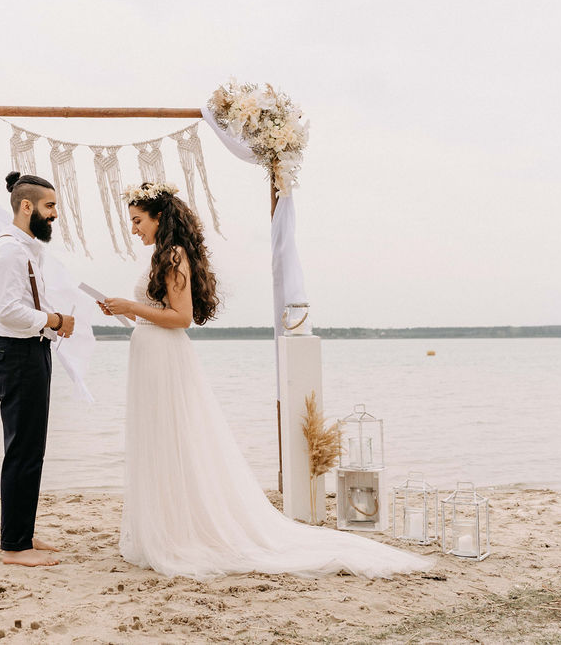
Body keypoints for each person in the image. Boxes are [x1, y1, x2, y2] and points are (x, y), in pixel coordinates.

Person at [100, 181, 433, 580]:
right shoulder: (162, 255)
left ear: (158, 217)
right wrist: (130, 312)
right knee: (159, 441)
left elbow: (181, 317)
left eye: (137, 221)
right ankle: (167, 523)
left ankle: (177, 531)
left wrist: (129, 306)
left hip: (164, 358)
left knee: (172, 439)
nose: (133, 229)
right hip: (152, 357)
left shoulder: (173, 255)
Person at [0, 171, 75, 567]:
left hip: (31, 352)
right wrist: (53, 320)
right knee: (22, 450)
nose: (54, 214)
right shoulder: (9, 252)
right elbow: (8, 311)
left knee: (31, 449)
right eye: (49, 206)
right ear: (26, 206)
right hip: (16, 354)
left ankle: (22, 532)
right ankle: (14, 547)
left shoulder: (27, 249)